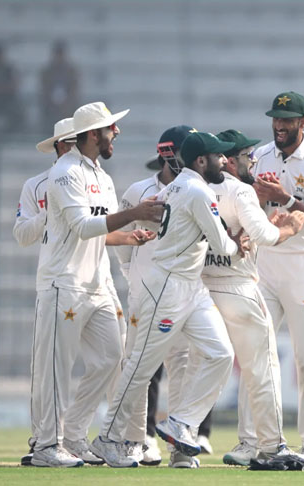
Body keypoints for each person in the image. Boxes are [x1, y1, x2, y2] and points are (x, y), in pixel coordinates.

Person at [92, 132, 242, 468]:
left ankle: (181, 423)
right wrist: (237, 243)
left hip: (190, 287)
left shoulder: (176, 187)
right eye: (217, 156)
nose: (224, 161)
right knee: (141, 367)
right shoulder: (196, 190)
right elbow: (221, 245)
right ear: (200, 160)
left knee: (221, 353)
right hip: (167, 288)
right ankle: (107, 438)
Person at [30, 102, 161, 467]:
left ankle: (72, 436)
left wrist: (128, 236)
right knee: (58, 366)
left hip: (97, 283)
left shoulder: (102, 176)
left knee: (111, 358)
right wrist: (134, 212)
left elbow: (99, 233)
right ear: (91, 135)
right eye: (110, 129)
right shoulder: (64, 172)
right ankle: (45, 446)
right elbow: (83, 227)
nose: (115, 132)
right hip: (64, 283)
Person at [240, 91, 304, 469]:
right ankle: (254, 442)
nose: (279, 126)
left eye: (288, 120)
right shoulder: (260, 156)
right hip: (266, 262)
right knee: (256, 354)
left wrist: (287, 200)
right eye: (276, 119)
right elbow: (250, 205)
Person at [203, 129, 304, 466]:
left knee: (190, 365)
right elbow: (264, 236)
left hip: (201, 289)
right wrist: (288, 227)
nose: (254, 161)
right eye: (248, 156)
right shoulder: (240, 189)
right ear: (230, 161)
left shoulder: (198, 188)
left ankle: (181, 441)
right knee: (263, 368)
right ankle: (271, 446)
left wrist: (263, 223)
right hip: (239, 288)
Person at [115, 125, 198, 468]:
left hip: (181, 295)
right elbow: (123, 244)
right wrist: (135, 280)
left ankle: (179, 446)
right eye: (186, 153)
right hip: (144, 297)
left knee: (181, 367)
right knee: (139, 368)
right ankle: (138, 440)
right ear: (168, 153)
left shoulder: (198, 190)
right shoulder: (139, 191)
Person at [15, 117, 76, 466]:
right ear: (59, 145)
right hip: (53, 281)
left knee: (109, 359)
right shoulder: (37, 185)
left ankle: (74, 436)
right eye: (70, 141)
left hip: (89, 283)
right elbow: (22, 235)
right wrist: (47, 214)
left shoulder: (93, 179)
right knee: (46, 364)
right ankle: (43, 439)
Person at [39, 40, 79, 133]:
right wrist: (52, 102)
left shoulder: (71, 71)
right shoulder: (47, 71)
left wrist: (66, 103)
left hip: (68, 105)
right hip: (50, 105)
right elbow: (44, 89)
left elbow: (74, 89)